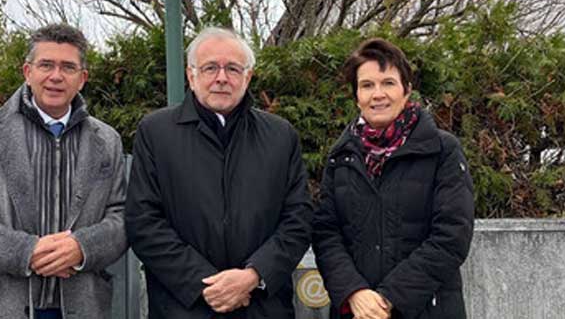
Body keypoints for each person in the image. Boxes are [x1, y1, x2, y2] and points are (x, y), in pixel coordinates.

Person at [0, 24, 127, 319]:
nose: (55, 76)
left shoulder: (107, 140)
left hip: (83, 306)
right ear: (27, 71)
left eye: (68, 67)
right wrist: (25, 251)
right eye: (46, 65)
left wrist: (82, 247)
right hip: (1, 306)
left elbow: (123, 218)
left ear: (82, 78)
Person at [126, 26, 313, 318]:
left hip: (262, 307)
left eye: (233, 69)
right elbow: (144, 222)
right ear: (191, 75)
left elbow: (298, 219)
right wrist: (208, 285)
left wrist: (253, 275)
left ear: (248, 76)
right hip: (183, 307)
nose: (221, 78)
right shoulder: (156, 133)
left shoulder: (281, 136)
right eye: (210, 67)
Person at [312, 38, 474, 319]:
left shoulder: (442, 150)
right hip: (357, 311)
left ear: (406, 90)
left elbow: (452, 235)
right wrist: (354, 293)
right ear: (356, 96)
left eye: (388, 83)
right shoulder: (341, 156)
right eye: (367, 85)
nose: (378, 94)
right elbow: (327, 234)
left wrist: (389, 298)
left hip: (427, 309)